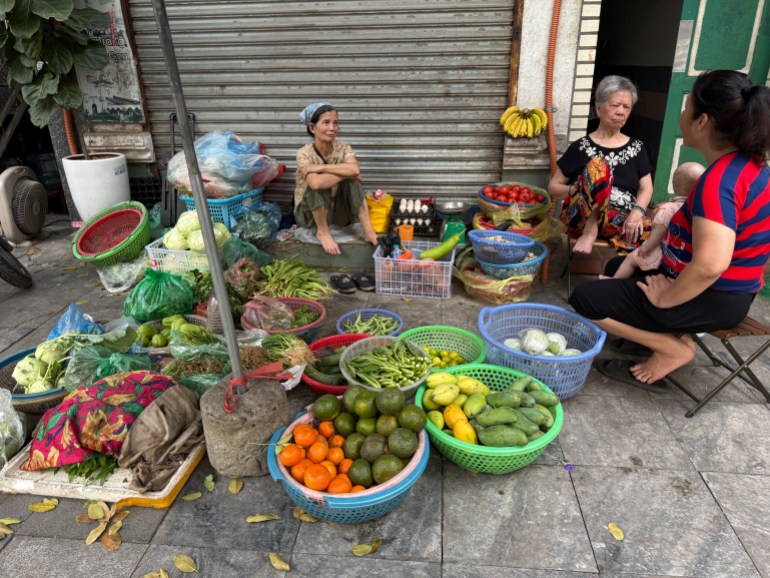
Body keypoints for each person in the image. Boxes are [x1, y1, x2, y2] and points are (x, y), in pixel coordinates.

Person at [570, 69, 770, 392]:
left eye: (687, 107)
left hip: (712, 296)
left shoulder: (720, 183)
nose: (682, 115)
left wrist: (668, 298)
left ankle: (672, 348)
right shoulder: (752, 165)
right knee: (612, 267)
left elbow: (710, 265)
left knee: (584, 298)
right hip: (731, 291)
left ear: (702, 121)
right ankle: (653, 334)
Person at [548, 75, 654, 254]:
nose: (621, 111)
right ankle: (590, 230)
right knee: (598, 166)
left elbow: (646, 188)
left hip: (620, 219)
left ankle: (616, 275)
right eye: (614, 105)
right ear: (598, 109)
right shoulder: (581, 147)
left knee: (651, 230)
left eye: (626, 107)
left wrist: (637, 213)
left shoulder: (637, 147)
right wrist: (575, 190)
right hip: (582, 217)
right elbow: (552, 187)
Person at [294, 102, 379, 255]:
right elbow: (316, 184)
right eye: (326, 122)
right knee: (321, 184)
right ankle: (323, 232)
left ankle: (368, 230)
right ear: (313, 128)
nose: (332, 128)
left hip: (337, 212)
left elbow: (355, 169)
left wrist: (321, 168)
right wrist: (344, 173)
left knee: (351, 180)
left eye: (335, 123)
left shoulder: (343, 148)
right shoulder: (304, 153)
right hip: (309, 214)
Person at [604, 162, 705, 280]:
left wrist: (645, 248)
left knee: (631, 259)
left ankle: (613, 281)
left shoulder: (667, 210)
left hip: (660, 253)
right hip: (679, 256)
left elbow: (659, 233)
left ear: (673, 185)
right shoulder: (696, 208)